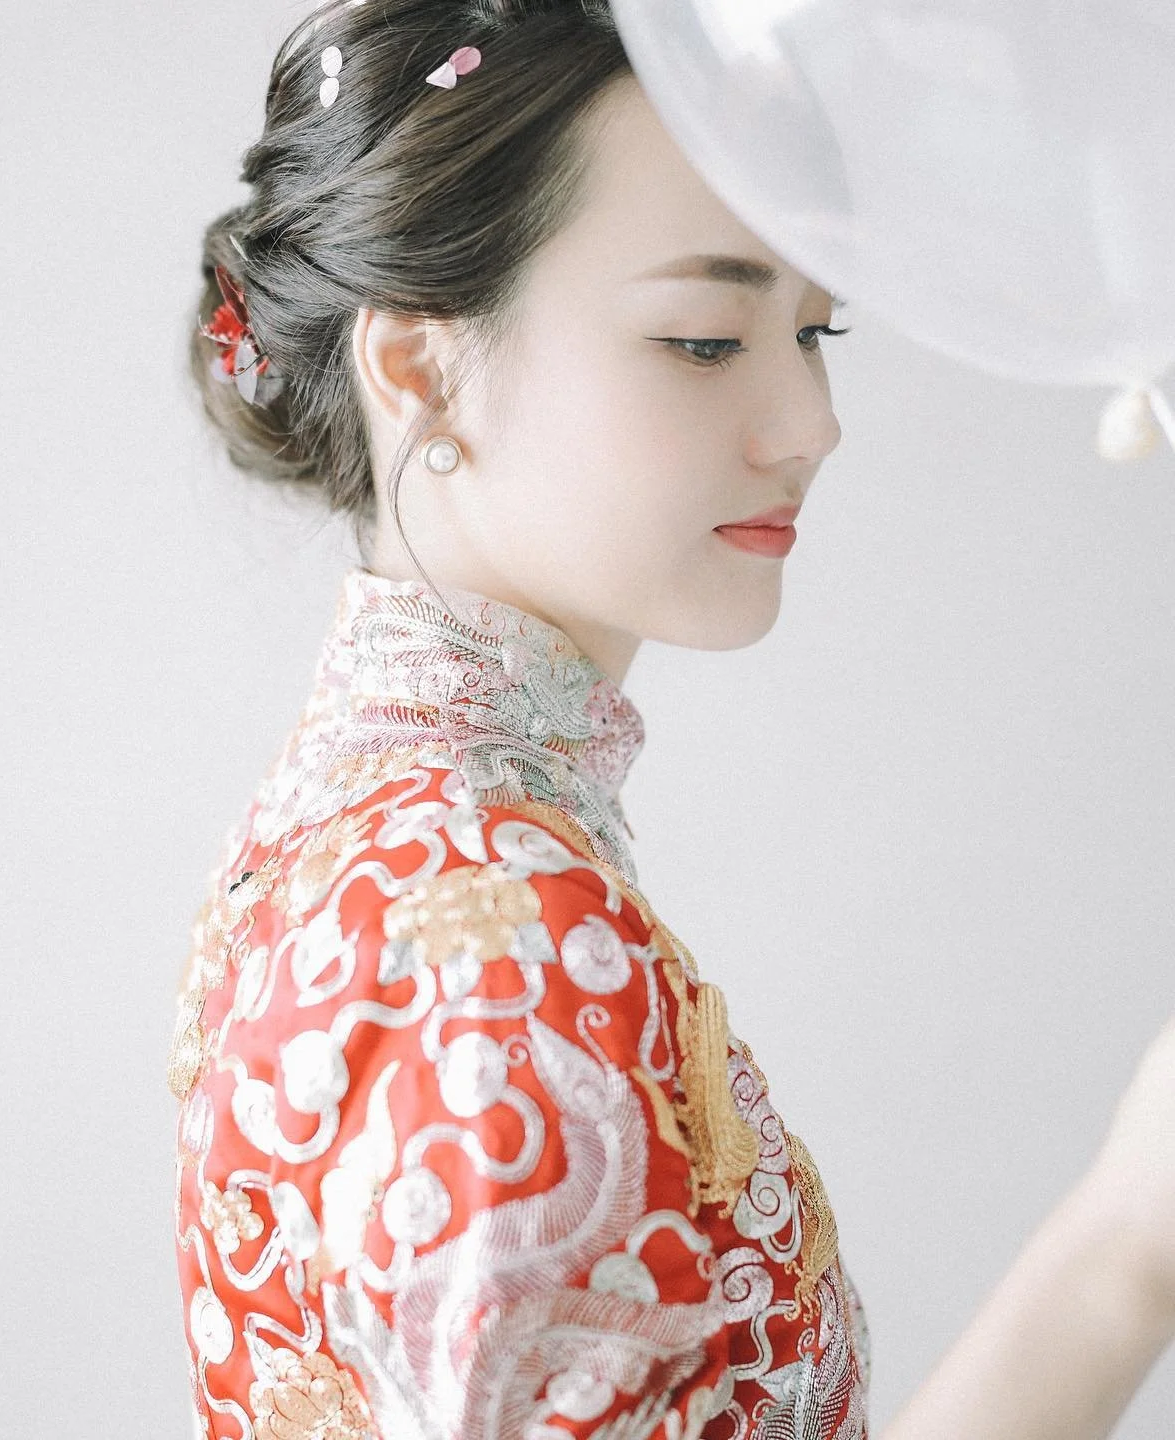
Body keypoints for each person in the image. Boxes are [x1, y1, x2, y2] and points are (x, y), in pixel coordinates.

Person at [168, 2, 1175, 1436]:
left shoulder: (354, 834)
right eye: (706, 340)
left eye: (814, 330)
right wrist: (1127, 1245)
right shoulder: (490, 949)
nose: (810, 420)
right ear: (417, 367)